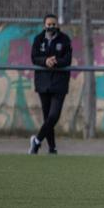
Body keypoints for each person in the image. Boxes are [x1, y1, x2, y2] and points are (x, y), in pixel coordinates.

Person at [28, 14, 72, 155]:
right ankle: (52, 148)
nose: (51, 27)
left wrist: (56, 62)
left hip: (59, 84)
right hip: (43, 83)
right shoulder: (38, 39)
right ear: (44, 25)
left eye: (54, 24)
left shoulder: (65, 40)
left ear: (57, 25)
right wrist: (45, 61)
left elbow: (67, 59)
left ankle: (37, 140)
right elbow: (34, 58)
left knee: (54, 116)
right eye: (49, 24)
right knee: (48, 118)